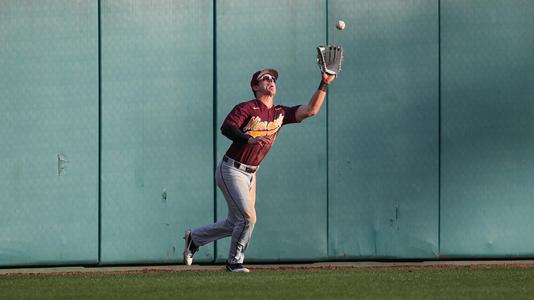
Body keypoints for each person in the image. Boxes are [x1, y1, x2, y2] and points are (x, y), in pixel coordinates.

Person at [183, 68, 336, 272]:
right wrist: (249, 138)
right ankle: (234, 262)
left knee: (235, 222)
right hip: (231, 169)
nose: (271, 81)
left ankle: (195, 238)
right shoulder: (247, 108)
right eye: (265, 78)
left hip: (251, 173)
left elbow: (311, 110)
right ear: (255, 86)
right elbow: (227, 128)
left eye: (273, 79)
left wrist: (324, 82)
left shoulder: (279, 113)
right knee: (248, 218)